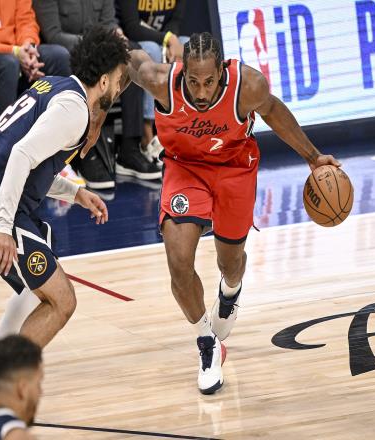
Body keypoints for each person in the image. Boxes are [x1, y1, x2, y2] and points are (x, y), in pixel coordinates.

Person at [127, 32, 341, 394]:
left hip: (234, 169)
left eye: (209, 82)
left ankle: (230, 291)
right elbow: (128, 62)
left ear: (223, 72)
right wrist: (99, 106)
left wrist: (313, 157)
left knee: (230, 262)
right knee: (179, 263)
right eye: (193, 81)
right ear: (181, 72)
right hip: (185, 168)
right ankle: (207, 342)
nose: (200, 91)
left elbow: (273, 111)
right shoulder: (161, 82)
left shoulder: (249, 85)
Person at [0, 26, 130, 408]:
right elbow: (20, 156)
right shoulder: (74, 110)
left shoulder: (55, 85)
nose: (121, 87)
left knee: (34, 284)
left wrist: (74, 192)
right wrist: (3, 228)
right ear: (104, 80)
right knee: (62, 301)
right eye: (120, 79)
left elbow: (28, 161)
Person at [33, 0, 161, 188]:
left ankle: (130, 149)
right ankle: (85, 153)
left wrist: (117, 35)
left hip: (99, 46)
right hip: (67, 49)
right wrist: (97, 46)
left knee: (131, 53)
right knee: (78, 59)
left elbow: (108, 22)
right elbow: (53, 34)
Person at [0, 0, 71, 125]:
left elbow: (26, 20)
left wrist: (29, 46)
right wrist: (14, 51)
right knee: (8, 64)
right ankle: (4, 134)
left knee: (59, 55)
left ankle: (60, 127)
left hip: (20, 47)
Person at [117, 0, 188, 165]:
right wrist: (167, 39)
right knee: (152, 50)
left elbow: (175, 21)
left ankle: (183, 130)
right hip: (136, 39)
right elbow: (132, 27)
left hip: (164, 38)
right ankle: (147, 135)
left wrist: (172, 44)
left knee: (189, 46)